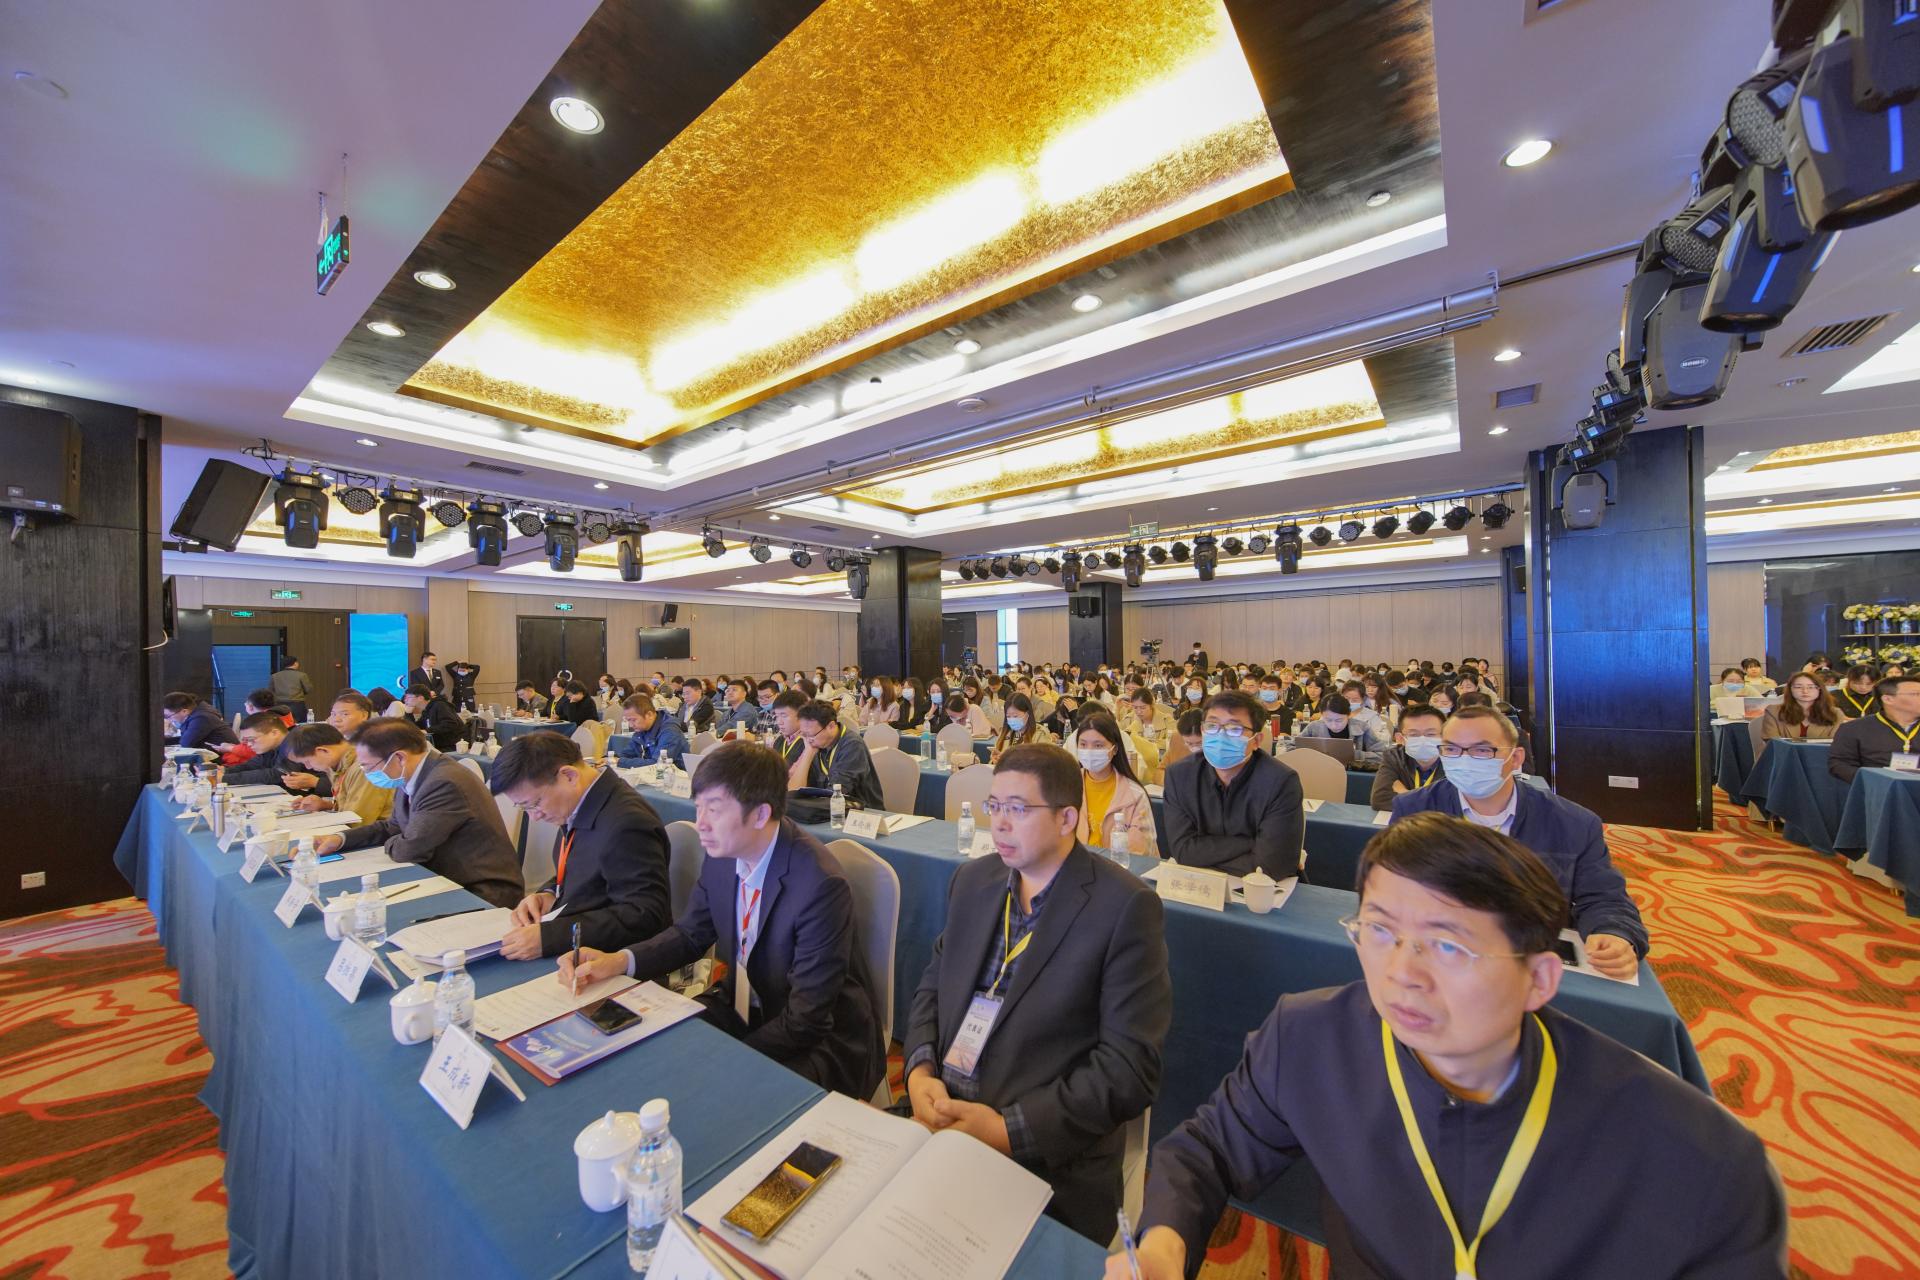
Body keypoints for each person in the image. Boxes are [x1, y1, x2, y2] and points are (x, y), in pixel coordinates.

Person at [1115, 813, 1787, 1280]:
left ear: (1539, 978)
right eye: (1379, 931)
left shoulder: (1698, 1159)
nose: (1402, 973)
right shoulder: (1312, 1038)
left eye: (1447, 946)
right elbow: (1205, 1151)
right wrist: (1165, 1244)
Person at [903, 744, 1170, 1243]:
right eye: (995, 806)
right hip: (938, 1112)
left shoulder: (1124, 908)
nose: (1000, 824)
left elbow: (1128, 1070)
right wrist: (919, 1071)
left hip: (1042, 1157)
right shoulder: (973, 879)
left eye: (1018, 809)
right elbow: (933, 987)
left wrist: (1005, 1130)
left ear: (1067, 818)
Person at [558, 743, 885, 1097]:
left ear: (760, 814)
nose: (701, 824)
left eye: (713, 809)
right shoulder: (723, 853)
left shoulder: (818, 885)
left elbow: (807, 1018)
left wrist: (726, 1059)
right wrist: (619, 961)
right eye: (698, 807)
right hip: (744, 1004)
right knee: (653, 1047)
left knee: (715, 1089)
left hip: (819, 1039)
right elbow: (690, 935)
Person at [1389, 705, 1645, 978]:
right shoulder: (1414, 810)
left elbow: (1604, 897)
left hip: (1529, 958)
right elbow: (1392, 887)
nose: (1464, 760)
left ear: (1515, 758)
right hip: (1442, 956)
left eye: (1482, 750)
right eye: (1451, 749)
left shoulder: (1573, 824)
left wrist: (1612, 931)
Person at [489, 731, 671, 960]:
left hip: (607, 959)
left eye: (534, 804)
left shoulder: (626, 823)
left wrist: (551, 937)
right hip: (578, 938)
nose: (534, 817)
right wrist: (549, 894)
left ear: (569, 776)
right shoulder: (582, 804)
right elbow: (583, 870)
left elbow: (644, 916)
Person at [313, 720, 524, 908]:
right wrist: (340, 839)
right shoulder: (411, 774)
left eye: (368, 766)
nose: (366, 772)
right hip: (443, 875)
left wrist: (398, 840)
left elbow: (409, 849)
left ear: (399, 758)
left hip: (481, 890)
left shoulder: (443, 782)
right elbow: (394, 826)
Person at [1161, 691, 1304, 880]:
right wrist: (1251, 843)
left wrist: (1203, 856)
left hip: (1263, 892)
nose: (1220, 736)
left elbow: (1271, 866)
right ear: (1202, 731)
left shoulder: (1281, 782)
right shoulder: (1179, 775)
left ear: (1256, 741)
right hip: (1199, 886)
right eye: (1212, 726)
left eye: (1234, 729)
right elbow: (1183, 851)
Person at [1073, 713, 1158, 856]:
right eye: (1083, 744)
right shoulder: (1067, 786)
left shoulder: (1134, 794)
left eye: (1098, 745)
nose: (1089, 751)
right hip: (1076, 865)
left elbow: (1139, 852)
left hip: (1116, 866)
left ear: (1114, 749)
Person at [282, 722, 396, 826]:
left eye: (307, 761)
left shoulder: (365, 768)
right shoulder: (338, 764)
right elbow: (350, 807)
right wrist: (325, 805)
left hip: (382, 835)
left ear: (323, 751)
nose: (308, 767)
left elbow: (357, 821)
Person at [788, 700, 884, 809]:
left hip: (861, 811)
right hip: (825, 809)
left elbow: (836, 794)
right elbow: (793, 792)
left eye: (810, 735)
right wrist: (808, 754)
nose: (808, 740)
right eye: (803, 734)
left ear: (831, 726)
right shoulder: (812, 744)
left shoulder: (852, 745)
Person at [1829, 675, 1920, 784]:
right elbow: (1840, 764)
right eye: (1916, 694)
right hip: (1876, 788)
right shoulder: (1854, 728)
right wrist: (1873, 780)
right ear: (1888, 699)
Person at [224, 711, 329, 795]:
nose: (249, 744)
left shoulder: (295, 743)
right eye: (246, 741)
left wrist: (224, 778)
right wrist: (225, 771)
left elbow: (278, 775)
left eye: (251, 739)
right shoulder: (271, 747)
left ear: (274, 733)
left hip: (320, 796)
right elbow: (253, 764)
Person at [1370, 703, 1447, 810]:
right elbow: (1380, 800)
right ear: (1400, 738)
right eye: (1414, 735)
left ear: (1445, 736)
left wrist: (1404, 793)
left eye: (1431, 734)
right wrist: (1432, 802)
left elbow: (1455, 805)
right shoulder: (1393, 757)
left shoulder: (1456, 760)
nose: (1423, 740)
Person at [1295, 694, 1393, 766]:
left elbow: (1383, 755)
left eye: (1339, 720)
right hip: (1319, 771)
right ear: (1322, 715)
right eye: (1328, 720)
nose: (1334, 725)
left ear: (1349, 715)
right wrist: (1311, 755)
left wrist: (1355, 755)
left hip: (1353, 775)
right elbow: (1292, 746)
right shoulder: (1314, 727)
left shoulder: (1362, 728)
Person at [612, 693, 689, 769]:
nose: (630, 725)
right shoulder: (642, 728)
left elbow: (657, 764)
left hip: (673, 775)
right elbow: (627, 754)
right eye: (628, 720)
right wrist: (613, 759)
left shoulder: (670, 731)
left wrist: (619, 762)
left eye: (633, 720)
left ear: (649, 715)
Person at [1760, 672, 1841, 742]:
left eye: (1811, 687)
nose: (1805, 691)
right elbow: (1772, 743)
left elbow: (1836, 745)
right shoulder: (1773, 711)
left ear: (1820, 689)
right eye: (1798, 687)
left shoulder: (1835, 713)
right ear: (1790, 689)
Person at [160, 692, 237, 752]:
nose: (168, 719)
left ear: (184, 711)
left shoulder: (202, 718)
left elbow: (186, 743)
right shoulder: (198, 711)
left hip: (226, 758)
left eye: (168, 716)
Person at [403, 683, 465, 752]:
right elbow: (416, 729)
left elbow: (450, 724)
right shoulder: (426, 710)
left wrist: (427, 731)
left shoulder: (440, 705)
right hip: (438, 746)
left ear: (420, 698)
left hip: (453, 746)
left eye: (408, 698)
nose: (405, 700)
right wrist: (408, 714)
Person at [990, 693, 1050, 762]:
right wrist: (995, 760)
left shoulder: (1040, 734)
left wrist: (1012, 760)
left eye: (1015, 716)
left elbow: (1045, 763)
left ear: (1027, 714)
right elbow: (994, 761)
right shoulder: (1005, 733)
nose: (1012, 720)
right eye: (1008, 716)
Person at [270, 658, 314, 723]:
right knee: (300, 724)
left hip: (279, 704)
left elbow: (271, 691)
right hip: (297, 704)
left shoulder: (274, 676)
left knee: (283, 724)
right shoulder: (301, 675)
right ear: (295, 663)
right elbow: (308, 689)